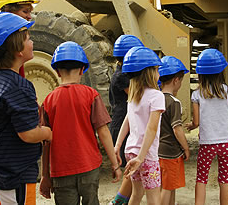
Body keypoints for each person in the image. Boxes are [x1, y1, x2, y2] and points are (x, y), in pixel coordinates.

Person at [0, 12, 52, 205]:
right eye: (28, 38)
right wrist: (47, 132)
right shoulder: (19, 86)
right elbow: (28, 134)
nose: (32, 42)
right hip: (12, 178)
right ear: (18, 49)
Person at [39, 41, 122, 205]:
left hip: (61, 172)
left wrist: (45, 176)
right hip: (89, 167)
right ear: (83, 70)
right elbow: (103, 131)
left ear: (56, 71)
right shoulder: (91, 95)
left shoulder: (48, 101)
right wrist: (114, 164)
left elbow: (45, 143)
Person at [114, 46, 165, 205]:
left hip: (131, 152)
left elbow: (127, 121)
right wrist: (142, 157)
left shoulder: (134, 96)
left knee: (136, 194)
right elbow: (152, 128)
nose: (158, 73)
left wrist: (118, 145)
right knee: (154, 198)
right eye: (157, 69)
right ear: (149, 72)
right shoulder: (156, 96)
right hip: (146, 156)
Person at [186, 48, 228, 205]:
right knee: (224, 178)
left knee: (201, 178)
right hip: (226, 141)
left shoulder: (197, 94)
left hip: (208, 143)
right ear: (221, 71)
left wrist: (191, 126)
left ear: (200, 73)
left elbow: (197, 122)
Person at [109, 35, 144, 205]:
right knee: (130, 171)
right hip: (122, 126)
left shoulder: (122, 71)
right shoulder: (122, 76)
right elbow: (136, 96)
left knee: (132, 172)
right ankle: (118, 202)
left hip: (125, 124)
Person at [158, 56, 190, 205]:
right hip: (171, 152)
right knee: (168, 187)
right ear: (176, 79)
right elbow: (177, 129)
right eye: (181, 81)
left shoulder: (155, 98)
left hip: (157, 151)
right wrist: (186, 147)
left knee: (162, 185)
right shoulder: (174, 102)